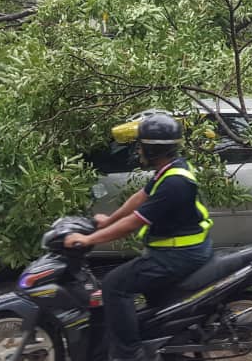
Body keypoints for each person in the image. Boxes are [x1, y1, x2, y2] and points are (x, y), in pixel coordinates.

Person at [65, 113, 213, 361]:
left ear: (153, 150)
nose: (138, 150)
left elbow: (134, 223)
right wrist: (108, 220)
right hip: (177, 251)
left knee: (114, 285)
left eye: (141, 145)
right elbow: (141, 197)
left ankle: (130, 354)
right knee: (151, 299)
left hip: (178, 256)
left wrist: (90, 240)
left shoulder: (175, 182)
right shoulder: (170, 169)